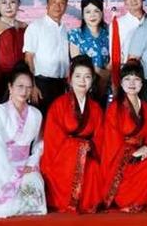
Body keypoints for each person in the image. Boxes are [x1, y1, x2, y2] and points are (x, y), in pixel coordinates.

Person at [0, 64, 47, 218]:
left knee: (33, 181)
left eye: (28, 87)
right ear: (10, 87)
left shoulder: (36, 115)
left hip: (25, 164)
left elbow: (39, 144)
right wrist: (12, 172)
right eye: (20, 86)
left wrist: (31, 163)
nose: (24, 91)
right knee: (4, 206)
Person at [40, 55, 105, 213]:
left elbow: (100, 138)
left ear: (92, 80)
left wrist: (89, 148)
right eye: (78, 76)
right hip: (62, 157)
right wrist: (79, 146)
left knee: (94, 167)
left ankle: (87, 203)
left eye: (87, 76)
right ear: (70, 79)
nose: (82, 81)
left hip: (87, 155)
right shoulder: (58, 105)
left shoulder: (95, 108)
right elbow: (53, 138)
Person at [100, 60, 147, 212]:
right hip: (122, 160)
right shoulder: (115, 108)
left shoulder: (146, 108)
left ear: (142, 83)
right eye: (127, 79)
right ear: (121, 83)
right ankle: (126, 200)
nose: (132, 83)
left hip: (142, 156)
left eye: (136, 79)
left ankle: (140, 200)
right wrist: (133, 152)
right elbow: (111, 140)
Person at [24, 0, 71, 114]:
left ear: (66, 6)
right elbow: (28, 58)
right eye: (54, 2)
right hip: (42, 84)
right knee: (42, 119)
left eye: (62, 3)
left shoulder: (65, 29)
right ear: (47, 4)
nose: (58, 6)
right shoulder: (36, 26)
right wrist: (32, 85)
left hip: (61, 84)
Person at [67, 0, 111, 104]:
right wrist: (102, 73)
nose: (92, 15)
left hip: (105, 86)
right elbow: (77, 62)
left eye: (96, 11)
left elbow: (113, 59)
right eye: (88, 12)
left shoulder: (110, 34)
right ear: (82, 15)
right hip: (83, 86)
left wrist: (105, 78)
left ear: (102, 13)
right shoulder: (75, 34)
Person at [115, 0, 147, 64]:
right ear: (124, 1)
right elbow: (115, 55)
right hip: (128, 70)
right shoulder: (117, 24)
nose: (133, 0)